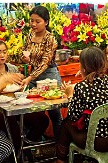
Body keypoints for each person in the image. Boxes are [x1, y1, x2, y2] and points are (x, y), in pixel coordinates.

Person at [45, 46, 108, 163]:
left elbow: (73, 116)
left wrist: (70, 95)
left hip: (98, 142)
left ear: (83, 67)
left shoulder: (81, 86)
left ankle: (60, 162)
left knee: (66, 123)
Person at [21, 5, 63, 138]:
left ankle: (59, 147)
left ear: (46, 22)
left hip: (49, 76)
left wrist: (30, 77)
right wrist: (25, 59)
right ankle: (32, 144)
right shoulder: (30, 35)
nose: (33, 24)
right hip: (33, 77)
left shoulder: (50, 39)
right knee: (31, 111)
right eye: (31, 21)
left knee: (54, 113)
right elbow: (27, 55)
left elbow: (45, 63)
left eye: (37, 21)